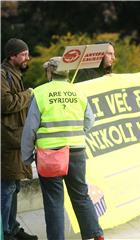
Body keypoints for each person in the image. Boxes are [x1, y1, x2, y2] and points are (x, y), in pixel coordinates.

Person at [21, 57, 104, 240]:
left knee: (53, 201)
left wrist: (26, 156)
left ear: (49, 72)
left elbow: (30, 128)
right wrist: (75, 133)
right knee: (81, 195)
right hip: (76, 151)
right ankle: (95, 235)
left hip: (49, 155)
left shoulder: (41, 93)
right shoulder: (77, 91)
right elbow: (90, 120)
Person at [1, 38, 38, 240]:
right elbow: (5, 104)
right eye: (23, 54)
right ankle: (5, 232)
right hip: (6, 143)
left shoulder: (13, 74)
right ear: (12, 56)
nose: (27, 57)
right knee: (6, 189)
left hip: (15, 141)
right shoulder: (2, 74)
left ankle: (12, 228)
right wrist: (28, 95)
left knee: (13, 188)